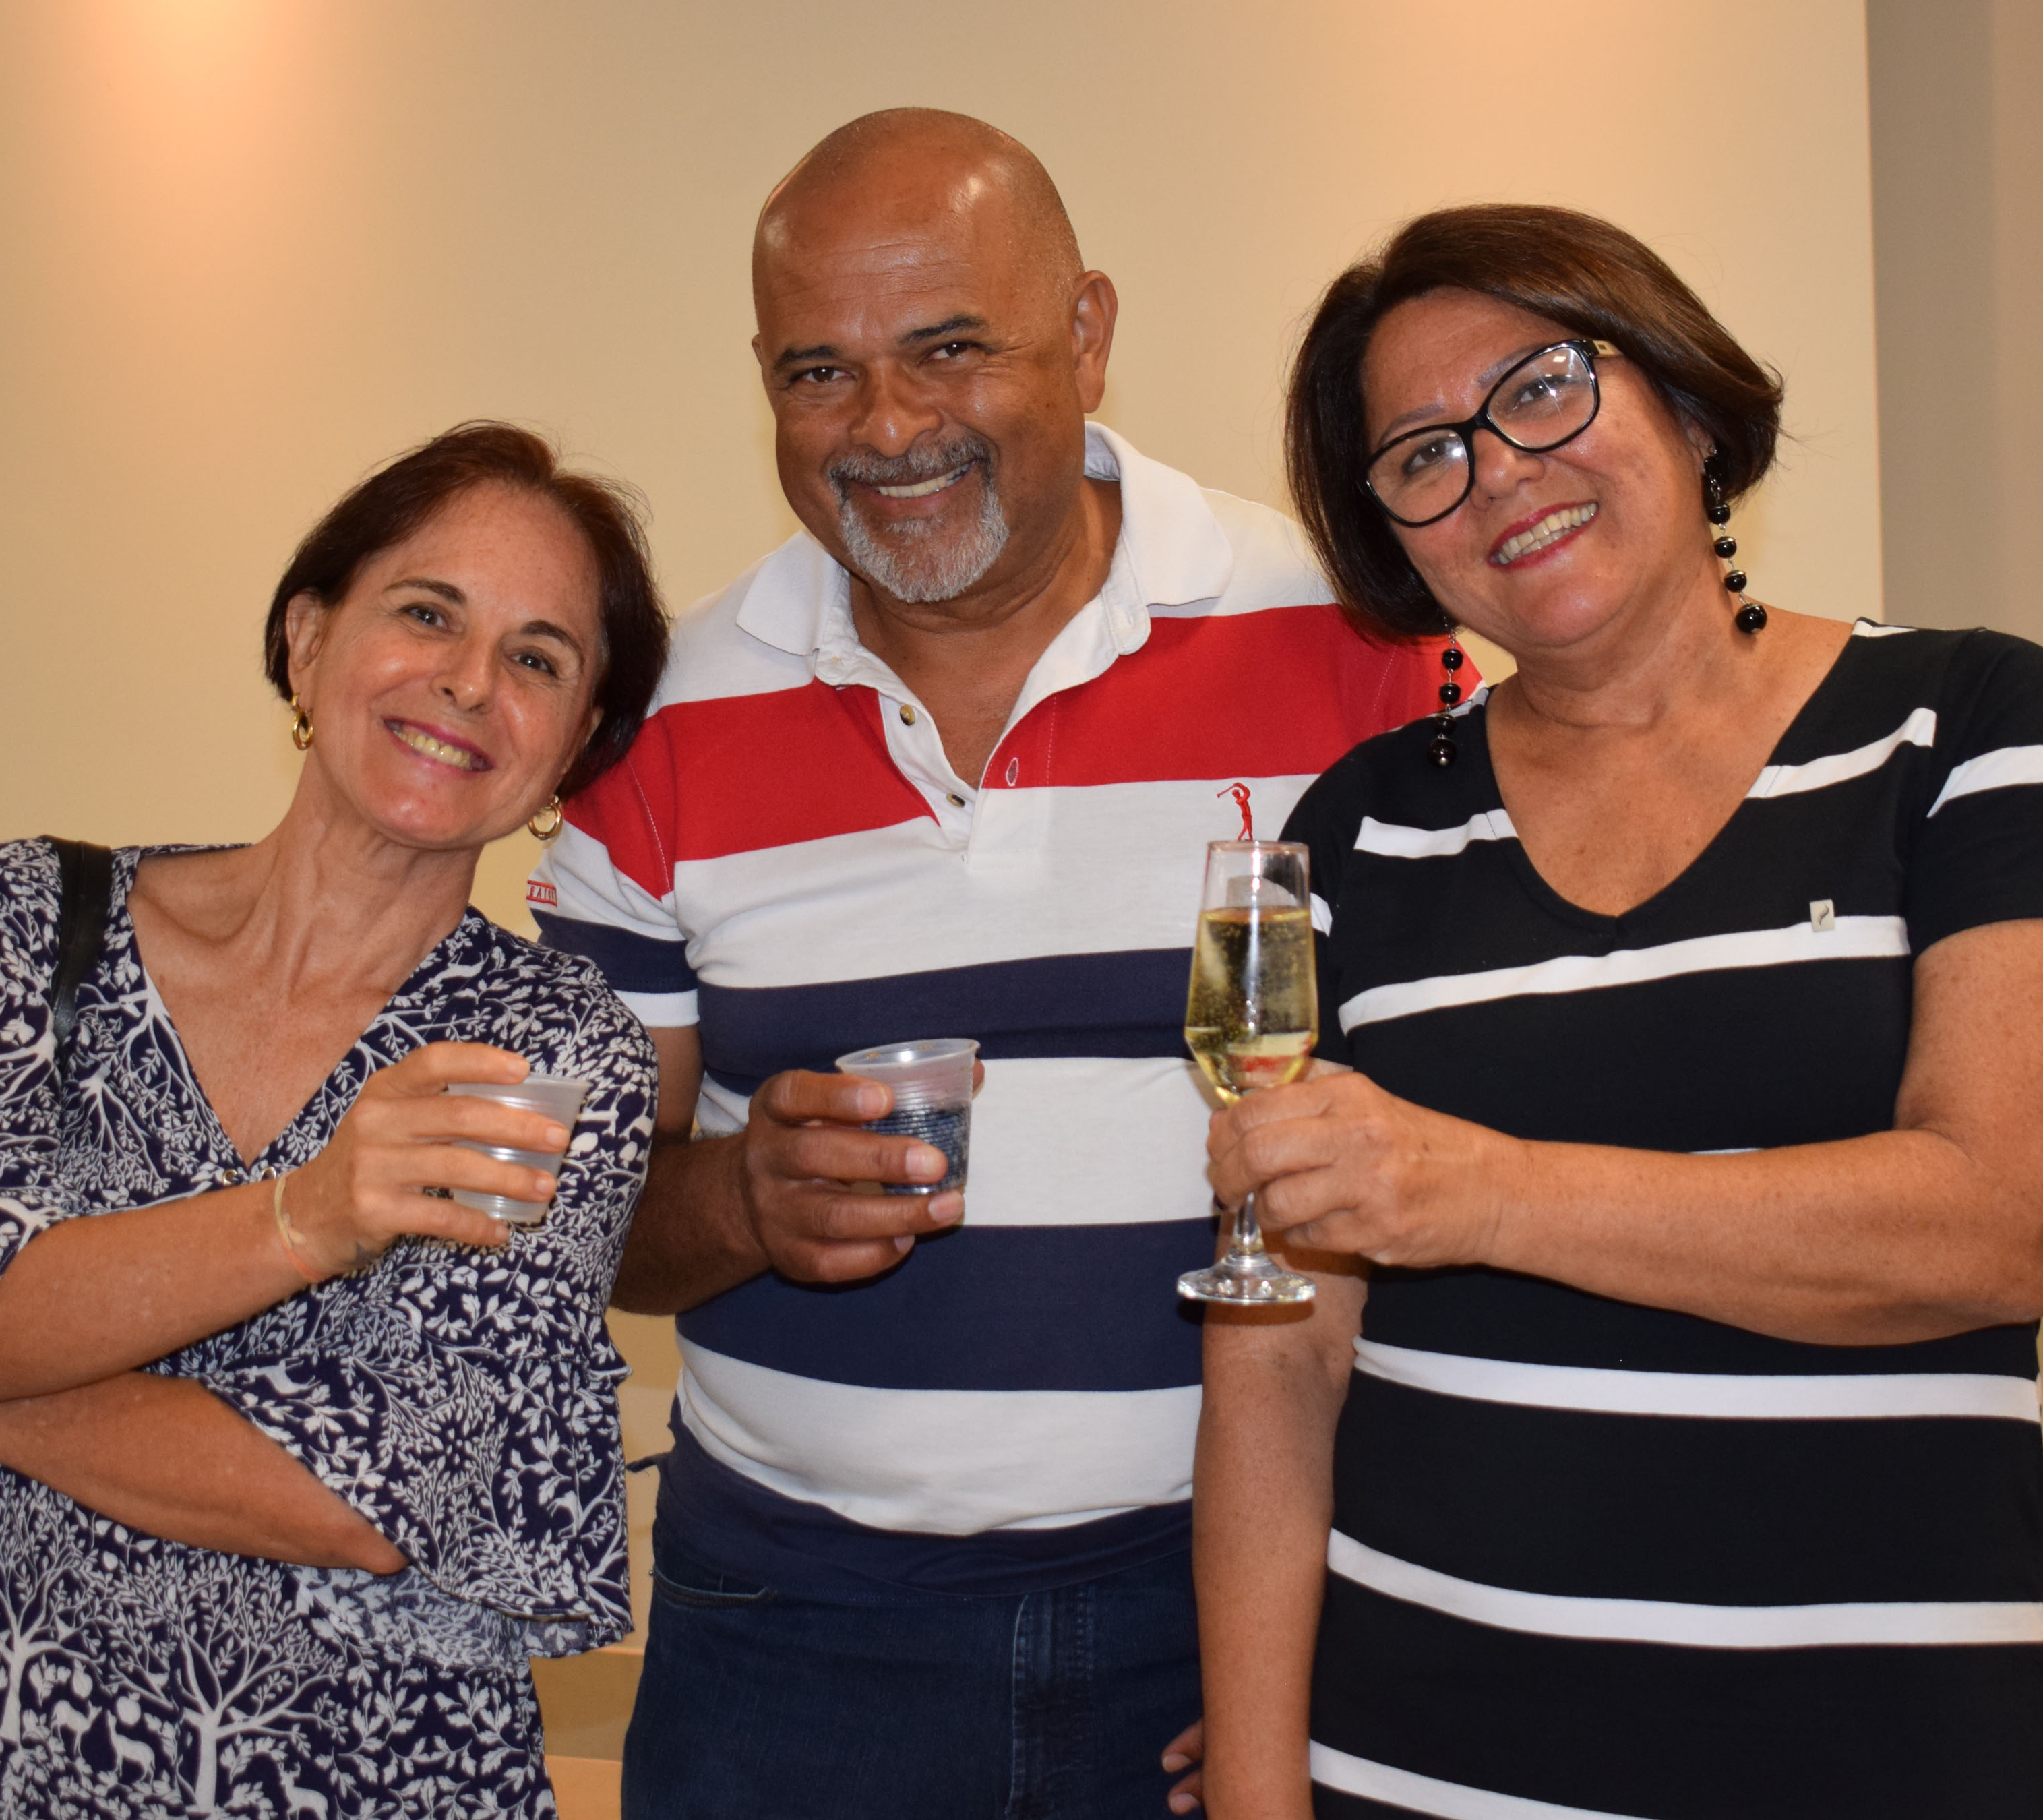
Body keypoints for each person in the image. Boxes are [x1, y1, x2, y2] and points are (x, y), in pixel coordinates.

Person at [529, 111, 1459, 1819]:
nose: (888, 428)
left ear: (1088, 334)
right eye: (820, 372)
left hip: (1233, 1610)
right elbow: (578, 1221)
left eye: (951, 347)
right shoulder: (657, 721)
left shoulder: (1357, 645)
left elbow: (1484, 1141)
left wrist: (1324, 1632)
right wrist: (740, 1203)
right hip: (794, 1639)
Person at [1193, 203, 2043, 1820]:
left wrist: (1482, 1192)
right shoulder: (1359, 826)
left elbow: (2005, 1225)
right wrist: (1253, 1791)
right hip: (1419, 1767)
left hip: (1888, 1764)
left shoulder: (1968, 722)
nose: (1497, 471)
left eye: (1541, 387)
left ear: (1689, 405)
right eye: (1423, 455)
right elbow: (1279, 1376)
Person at [0, 421, 671, 1819]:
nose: (469, 681)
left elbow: (380, 1497)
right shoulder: (29, 923)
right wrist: (306, 1218)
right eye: (427, 613)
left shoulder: (554, 1054)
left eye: (538, 660)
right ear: (308, 641)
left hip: (375, 1783)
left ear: (573, 747)